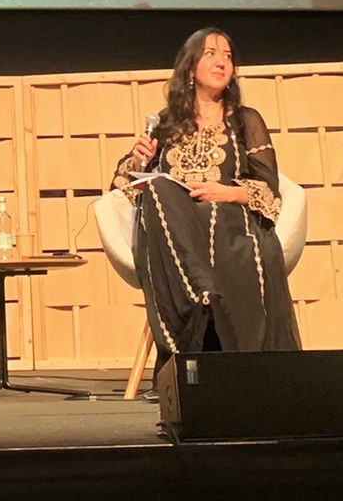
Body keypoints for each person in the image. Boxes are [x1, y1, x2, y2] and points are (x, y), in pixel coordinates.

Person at [113, 28, 298, 360]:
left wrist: (227, 192)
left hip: (230, 220)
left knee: (216, 220)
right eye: (211, 53)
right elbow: (125, 187)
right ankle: (202, 294)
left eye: (227, 56)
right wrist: (139, 159)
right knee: (159, 186)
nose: (221, 62)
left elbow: (270, 189)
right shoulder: (166, 124)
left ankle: (204, 306)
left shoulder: (245, 120)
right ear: (190, 68)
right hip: (176, 227)